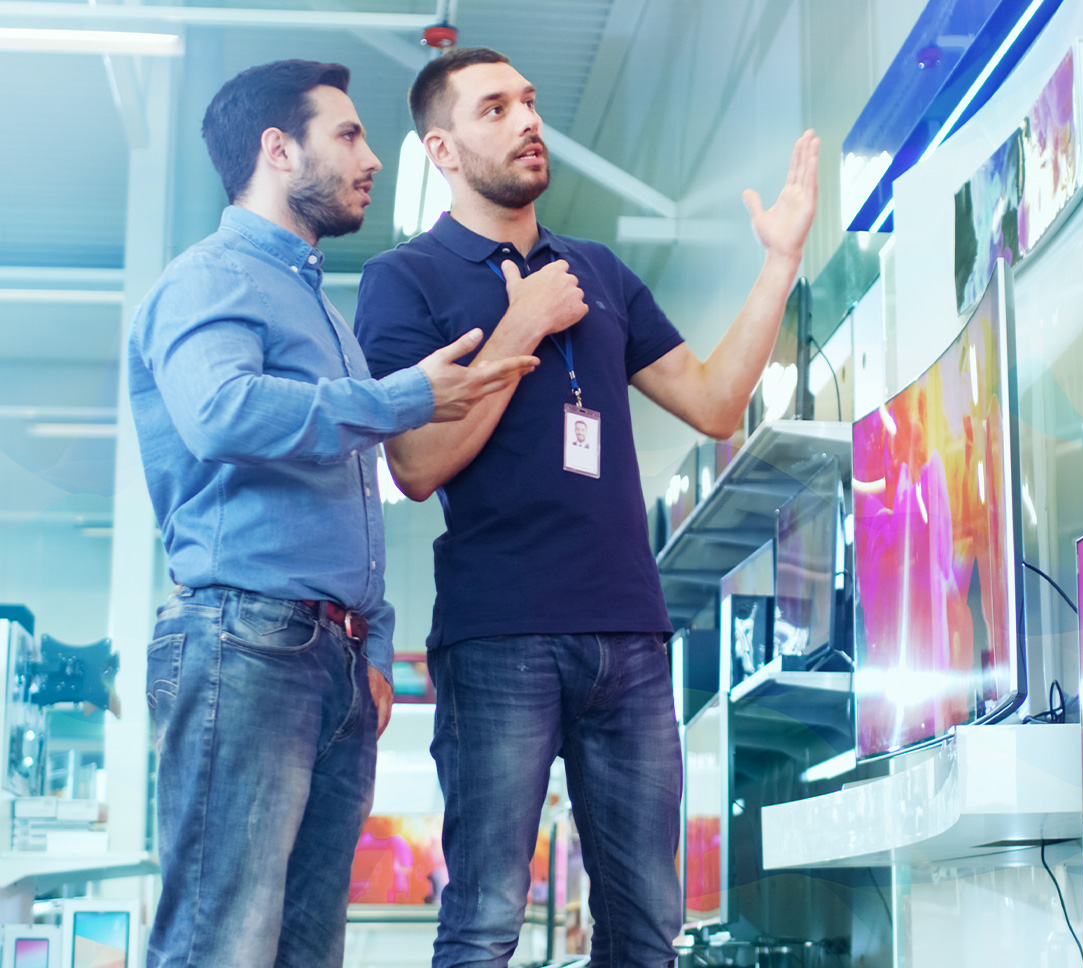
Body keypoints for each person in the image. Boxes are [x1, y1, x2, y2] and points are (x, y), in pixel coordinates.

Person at [353, 46, 818, 968]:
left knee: (649, 930)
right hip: (499, 635)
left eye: (530, 100)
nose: (528, 119)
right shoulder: (404, 281)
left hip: (630, 638)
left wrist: (781, 262)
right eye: (495, 109)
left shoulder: (599, 270)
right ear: (442, 151)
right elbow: (413, 466)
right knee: (485, 921)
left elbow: (717, 402)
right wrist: (521, 326)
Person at [128, 59, 537, 968]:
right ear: (278, 150)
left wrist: (375, 643)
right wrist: (401, 399)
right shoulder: (211, 280)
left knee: (307, 950)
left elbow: (349, 488)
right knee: (219, 942)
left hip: (334, 661)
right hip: (244, 641)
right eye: (348, 135)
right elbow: (220, 413)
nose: (374, 158)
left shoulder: (323, 309)